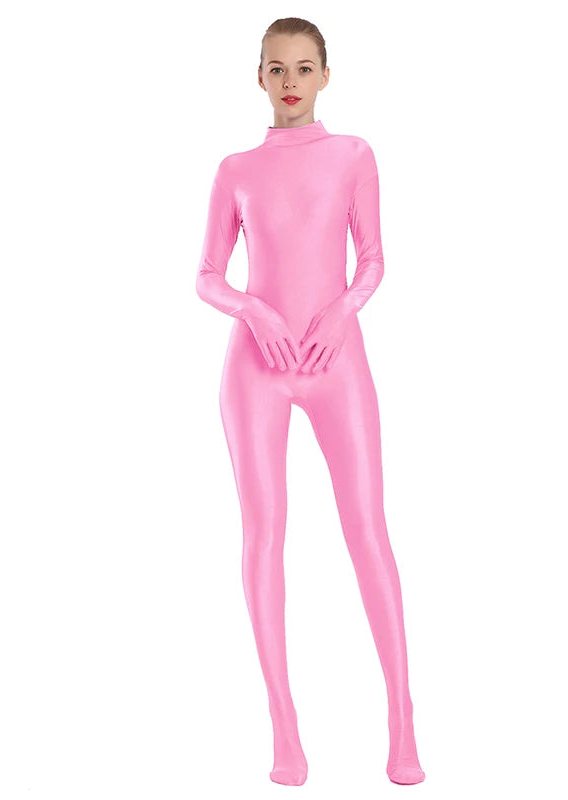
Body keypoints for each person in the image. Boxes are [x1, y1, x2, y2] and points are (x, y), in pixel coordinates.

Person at [196, 17, 426, 787]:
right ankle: (285, 730)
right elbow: (206, 276)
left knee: (368, 532)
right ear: (259, 78)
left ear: (325, 75)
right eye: (276, 68)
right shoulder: (235, 169)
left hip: (336, 360)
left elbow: (374, 259)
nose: (289, 82)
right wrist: (253, 311)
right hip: (255, 368)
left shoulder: (353, 155)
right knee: (264, 536)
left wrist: (340, 311)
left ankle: (402, 722)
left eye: (302, 67)